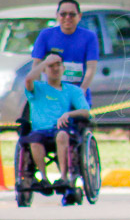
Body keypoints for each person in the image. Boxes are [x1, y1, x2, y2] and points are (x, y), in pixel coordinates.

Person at [23, 53, 90, 205]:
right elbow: (28, 79)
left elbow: (85, 111)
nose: (55, 68)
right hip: (40, 131)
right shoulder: (38, 88)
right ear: (44, 70)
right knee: (34, 140)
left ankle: (64, 177)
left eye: (58, 65)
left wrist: (68, 113)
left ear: (63, 68)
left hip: (61, 130)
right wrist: (44, 62)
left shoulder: (72, 90)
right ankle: (43, 178)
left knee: (62, 136)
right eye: (51, 66)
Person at [31, 0, 99, 104]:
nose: (67, 17)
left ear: (79, 16)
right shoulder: (45, 35)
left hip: (77, 95)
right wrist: (39, 91)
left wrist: (82, 90)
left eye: (72, 14)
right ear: (57, 15)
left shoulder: (89, 37)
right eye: (63, 14)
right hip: (52, 96)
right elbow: (36, 64)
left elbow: (91, 67)